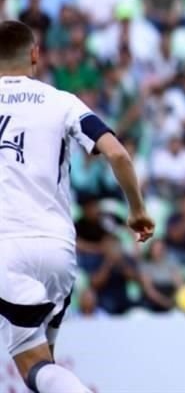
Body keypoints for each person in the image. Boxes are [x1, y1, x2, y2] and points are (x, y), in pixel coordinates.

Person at [0, 20, 155, 393]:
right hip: (57, 249)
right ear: (36, 54)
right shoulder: (62, 101)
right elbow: (117, 153)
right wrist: (135, 209)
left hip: (6, 247)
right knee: (45, 367)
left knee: (33, 365)